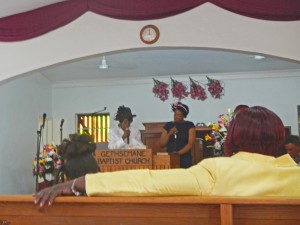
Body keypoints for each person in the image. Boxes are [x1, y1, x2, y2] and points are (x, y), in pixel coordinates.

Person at [34, 106, 300, 207]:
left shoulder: (215, 171)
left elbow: (147, 182)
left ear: (234, 137)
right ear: (279, 139)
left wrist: (77, 182)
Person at [160, 102, 196, 168]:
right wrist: (169, 133)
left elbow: (190, 144)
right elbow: (162, 144)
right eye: (175, 114)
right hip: (170, 157)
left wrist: (178, 153)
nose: (176, 117)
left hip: (184, 157)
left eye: (179, 115)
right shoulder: (168, 125)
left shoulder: (189, 125)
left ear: (184, 116)